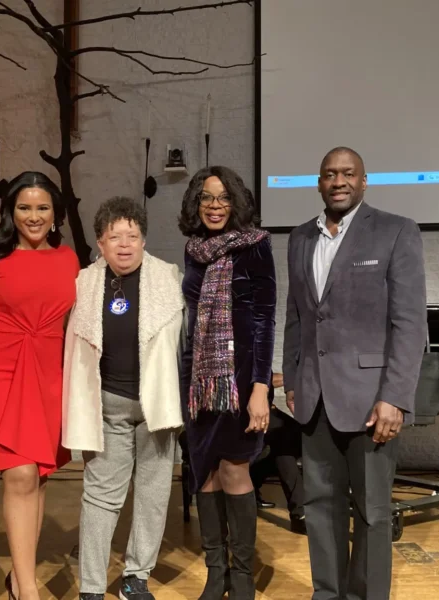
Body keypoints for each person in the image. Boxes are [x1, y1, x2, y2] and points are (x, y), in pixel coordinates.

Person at [283, 147, 427, 600]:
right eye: (329, 174)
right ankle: (327, 594)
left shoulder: (395, 231)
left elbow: (409, 323)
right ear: (319, 183)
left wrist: (396, 397)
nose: (338, 180)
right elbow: (297, 316)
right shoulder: (300, 238)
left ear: (364, 181)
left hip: (371, 400)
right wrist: (292, 378)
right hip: (314, 397)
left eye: (348, 173)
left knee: (372, 512)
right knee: (319, 507)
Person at [0, 171, 80, 600]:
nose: (33, 216)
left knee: (37, 477)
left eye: (42, 207)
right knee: (20, 475)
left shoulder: (67, 259)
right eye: (24, 207)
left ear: (56, 213)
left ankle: (18, 577)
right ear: (10, 211)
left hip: (47, 375)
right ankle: (28, 589)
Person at [61, 197, 185, 600]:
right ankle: (92, 588)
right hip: (107, 406)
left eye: (133, 235)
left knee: (152, 497)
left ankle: (136, 577)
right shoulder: (84, 283)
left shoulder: (169, 278)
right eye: (115, 236)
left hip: (157, 409)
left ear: (144, 238)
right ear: (100, 242)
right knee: (100, 498)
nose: (125, 244)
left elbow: (184, 344)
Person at [179, 165, 276, 600]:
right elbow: (189, 322)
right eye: (206, 198)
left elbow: (264, 319)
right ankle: (215, 572)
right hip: (199, 381)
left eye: (223, 198)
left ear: (236, 203)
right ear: (195, 204)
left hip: (240, 380)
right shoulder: (193, 250)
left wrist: (260, 387)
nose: (215, 206)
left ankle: (241, 577)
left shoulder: (255, 247)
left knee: (235, 470)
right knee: (204, 473)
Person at [250, 372, 306, 535]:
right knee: (283, 437)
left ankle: (253, 483)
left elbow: (267, 375)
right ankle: (299, 513)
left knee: (299, 434)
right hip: (245, 410)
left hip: (266, 409)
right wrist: (298, 376)